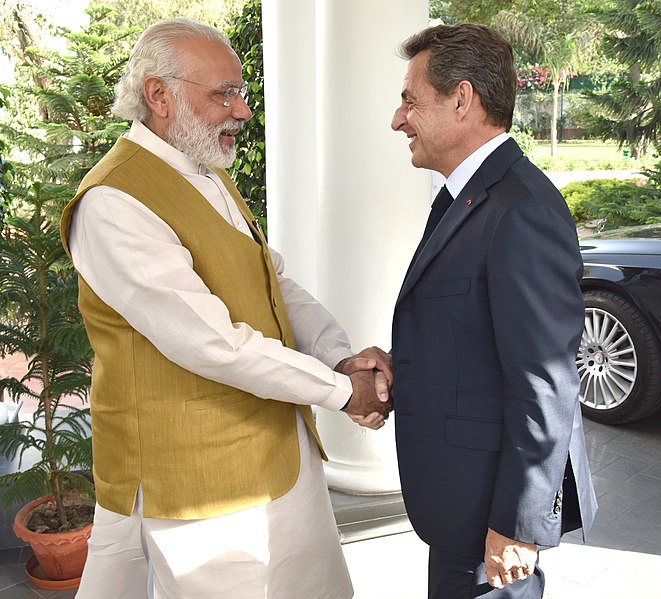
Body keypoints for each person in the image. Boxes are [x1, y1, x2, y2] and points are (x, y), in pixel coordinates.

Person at [60, 18, 391, 599]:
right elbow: (209, 341)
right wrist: (344, 393)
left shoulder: (203, 170)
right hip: (198, 485)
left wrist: (339, 359)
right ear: (158, 95)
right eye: (223, 94)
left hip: (276, 458)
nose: (241, 110)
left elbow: (272, 281)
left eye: (240, 92)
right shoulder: (113, 200)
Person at [389, 23, 598, 599]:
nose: (397, 119)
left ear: (461, 99)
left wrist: (516, 525)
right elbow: (475, 340)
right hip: (460, 509)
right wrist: (398, 368)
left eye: (410, 100)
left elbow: (545, 384)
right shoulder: (467, 197)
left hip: (491, 522)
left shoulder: (520, 209)